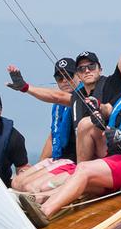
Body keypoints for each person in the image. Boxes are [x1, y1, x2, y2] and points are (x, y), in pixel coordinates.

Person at [7, 0, 121, 192]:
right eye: (82, 68)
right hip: (76, 164)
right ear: (78, 74)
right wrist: (25, 87)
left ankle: (61, 198)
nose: (87, 70)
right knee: (18, 182)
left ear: (100, 68)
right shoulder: (77, 95)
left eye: (91, 66)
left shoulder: (112, 83)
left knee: (33, 187)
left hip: (104, 163)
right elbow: (55, 97)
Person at [19, 60, 121, 228]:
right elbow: (108, 109)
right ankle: (39, 200)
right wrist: (97, 107)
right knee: (83, 179)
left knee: (84, 169)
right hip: (118, 160)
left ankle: (44, 212)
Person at [11, 57, 81, 192]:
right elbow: (53, 136)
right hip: (58, 159)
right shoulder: (58, 107)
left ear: (78, 76)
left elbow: (56, 96)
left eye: (69, 76)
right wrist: (42, 164)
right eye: (60, 78)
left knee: (31, 187)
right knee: (17, 182)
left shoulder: (82, 98)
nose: (65, 81)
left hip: (74, 162)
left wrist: (25, 87)